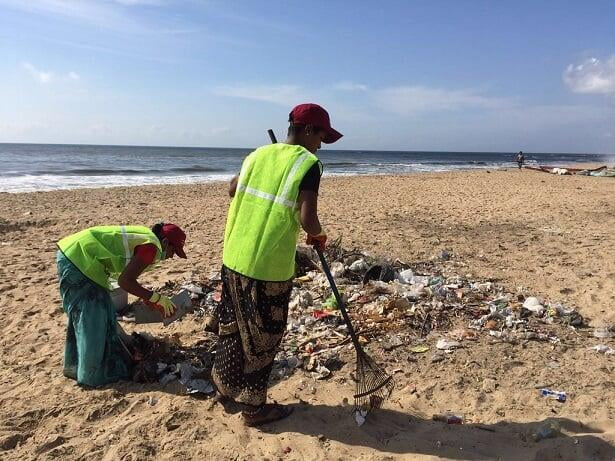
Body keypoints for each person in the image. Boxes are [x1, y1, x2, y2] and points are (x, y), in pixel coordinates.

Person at [212, 103, 342, 426]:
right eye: (322, 136)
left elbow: (232, 189)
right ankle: (254, 410)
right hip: (266, 267)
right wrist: (319, 235)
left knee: (234, 327)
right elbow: (307, 217)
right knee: (264, 337)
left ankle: (225, 389)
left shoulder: (258, 155)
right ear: (309, 131)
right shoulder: (308, 163)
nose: (321, 145)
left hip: (233, 257)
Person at [56, 223, 187, 387]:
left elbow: (127, 277)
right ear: (166, 243)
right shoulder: (151, 247)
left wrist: (148, 298)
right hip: (79, 260)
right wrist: (155, 298)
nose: (171, 256)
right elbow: (125, 281)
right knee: (92, 318)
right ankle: (91, 375)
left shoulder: (148, 239)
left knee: (102, 313)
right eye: (173, 251)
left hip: (80, 258)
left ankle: (75, 366)